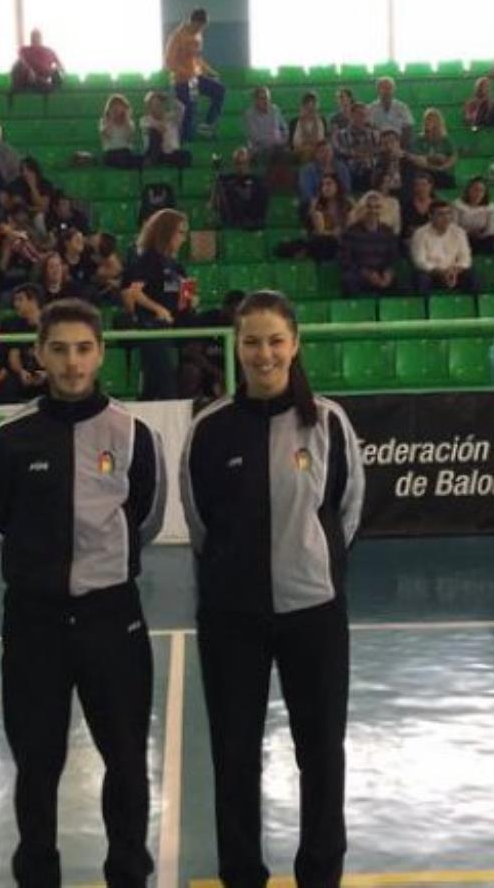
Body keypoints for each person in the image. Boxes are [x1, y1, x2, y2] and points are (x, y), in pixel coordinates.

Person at [0, 296, 165, 888]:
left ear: (101, 353)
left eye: (83, 349)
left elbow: (148, 520)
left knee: (127, 762)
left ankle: (129, 874)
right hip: (34, 623)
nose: (72, 362)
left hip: (113, 619)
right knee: (36, 765)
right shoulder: (9, 439)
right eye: (58, 349)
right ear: (39, 355)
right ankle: (37, 877)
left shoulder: (134, 434)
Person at [180, 289, 364, 888]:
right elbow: (199, 520)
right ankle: (242, 874)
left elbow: (347, 510)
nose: (264, 354)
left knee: (321, 754)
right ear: (236, 347)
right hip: (232, 620)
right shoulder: (209, 429)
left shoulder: (329, 422)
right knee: (234, 756)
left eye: (275, 340)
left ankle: (320, 874)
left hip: (314, 616)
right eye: (252, 341)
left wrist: (312, 565)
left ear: (296, 344)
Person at [122, 209, 192, 400]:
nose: (183, 239)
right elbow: (135, 292)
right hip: (152, 327)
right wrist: (158, 309)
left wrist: (189, 298)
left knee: (155, 387)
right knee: (164, 383)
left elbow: (179, 294)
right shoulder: (149, 259)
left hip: (171, 326)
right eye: (180, 233)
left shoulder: (175, 265)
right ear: (167, 232)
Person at [165, 7, 225, 141]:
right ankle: (186, 138)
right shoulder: (177, 36)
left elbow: (198, 58)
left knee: (219, 90)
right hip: (181, 80)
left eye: (203, 27)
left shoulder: (198, 36)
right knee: (189, 108)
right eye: (200, 26)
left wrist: (210, 71)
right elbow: (169, 62)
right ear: (194, 22)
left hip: (195, 78)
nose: (201, 30)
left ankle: (208, 124)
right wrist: (185, 73)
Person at [339, 192, 400, 296]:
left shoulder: (388, 232)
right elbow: (345, 260)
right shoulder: (350, 233)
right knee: (348, 280)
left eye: (377, 207)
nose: (373, 211)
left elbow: (393, 258)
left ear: (381, 210)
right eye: (369, 207)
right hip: (360, 274)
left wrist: (388, 273)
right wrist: (366, 273)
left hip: (381, 273)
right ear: (362, 209)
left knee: (403, 285)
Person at [411, 201, 477, 295]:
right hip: (432, 274)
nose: (446, 217)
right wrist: (441, 272)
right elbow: (420, 261)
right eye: (441, 214)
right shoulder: (420, 234)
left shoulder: (459, 232)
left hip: (454, 272)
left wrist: (455, 271)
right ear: (430, 216)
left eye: (449, 213)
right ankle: (424, 307)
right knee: (421, 278)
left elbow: (466, 258)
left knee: (473, 277)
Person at [1, 284, 49, 401]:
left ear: (33, 300)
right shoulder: (14, 326)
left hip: (47, 373)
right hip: (24, 374)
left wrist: (47, 373)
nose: (16, 304)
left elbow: (59, 355)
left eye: (20, 300)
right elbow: (14, 356)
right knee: (8, 386)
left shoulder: (51, 324)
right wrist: (21, 371)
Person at [213, 147, 269, 231]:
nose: (241, 167)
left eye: (244, 163)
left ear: (249, 164)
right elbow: (215, 202)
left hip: (253, 223)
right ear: (234, 164)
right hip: (233, 222)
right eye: (238, 163)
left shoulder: (259, 183)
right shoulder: (225, 181)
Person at [331, 101, 379, 194]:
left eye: (364, 115)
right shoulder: (340, 135)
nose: (362, 118)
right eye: (359, 114)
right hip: (350, 169)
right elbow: (338, 151)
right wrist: (356, 154)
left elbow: (378, 150)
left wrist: (368, 153)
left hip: (371, 170)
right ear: (351, 115)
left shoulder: (374, 134)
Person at [405, 108, 456, 189]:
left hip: (440, 172)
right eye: (427, 120)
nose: (428, 122)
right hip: (424, 172)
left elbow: (452, 158)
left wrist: (442, 166)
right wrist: (434, 159)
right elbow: (417, 159)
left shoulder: (445, 140)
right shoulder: (418, 140)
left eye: (432, 120)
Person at [141, 91, 191, 169]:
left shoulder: (172, 118)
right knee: (154, 133)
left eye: (159, 103)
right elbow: (161, 129)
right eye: (154, 104)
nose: (158, 106)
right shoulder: (144, 120)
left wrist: (170, 98)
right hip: (156, 153)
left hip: (172, 153)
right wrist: (165, 119)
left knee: (186, 155)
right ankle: (153, 161)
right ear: (149, 107)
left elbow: (181, 108)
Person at [297, 139, 352, 208]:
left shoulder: (341, 167)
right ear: (316, 154)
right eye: (322, 151)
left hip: (338, 200)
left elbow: (346, 188)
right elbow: (307, 192)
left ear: (332, 152)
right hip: (315, 201)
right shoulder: (307, 170)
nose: (326, 153)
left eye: (329, 150)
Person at [454, 176, 494, 255]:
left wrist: (481, 235)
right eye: (475, 189)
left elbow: (490, 229)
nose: (478, 193)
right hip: (462, 236)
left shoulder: (490, 206)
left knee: (491, 243)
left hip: (483, 236)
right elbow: (454, 225)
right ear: (468, 190)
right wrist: (466, 234)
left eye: (481, 190)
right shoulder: (458, 204)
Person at [11, 28, 63, 94]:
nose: (34, 38)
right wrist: (29, 71)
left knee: (55, 74)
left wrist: (54, 70)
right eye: (33, 36)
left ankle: (47, 85)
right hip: (27, 78)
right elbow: (21, 62)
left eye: (37, 36)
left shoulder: (49, 51)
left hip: (45, 78)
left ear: (41, 38)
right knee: (18, 64)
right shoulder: (23, 50)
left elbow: (60, 67)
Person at [242, 86, 288, 161]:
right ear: (256, 100)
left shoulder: (275, 110)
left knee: (287, 154)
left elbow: (285, 129)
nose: (266, 101)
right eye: (262, 98)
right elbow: (256, 137)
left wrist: (282, 141)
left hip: (278, 147)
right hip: (260, 149)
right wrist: (275, 140)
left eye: (267, 98)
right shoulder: (249, 115)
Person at [367, 76, 414, 146]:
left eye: (389, 88)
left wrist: (400, 146)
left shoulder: (402, 107)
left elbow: (408, 128)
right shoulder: (371, 108)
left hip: (399, 145)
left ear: (394, 90)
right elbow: (368, 128)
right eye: (384, 88)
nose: (387, 91)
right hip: (377, 146)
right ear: (378, 90)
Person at [100, 94, 142, 170]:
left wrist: (126, 120)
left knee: (137, 158)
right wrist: (112, 119)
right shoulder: (104, 122)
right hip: (111, 153)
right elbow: (107, 135)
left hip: (125, 152)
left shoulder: (129, 123)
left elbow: (128, 138)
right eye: (114, 107)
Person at [290, 91, 328, 162]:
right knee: (307, 152)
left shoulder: (320, 121)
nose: (311, 110)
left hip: (318, 149)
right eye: (308, 106)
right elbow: (296, 142)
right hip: (301, 151)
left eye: (313, 106)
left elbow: (321, 139)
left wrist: (311, 145)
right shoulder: (296, 122)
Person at [399, 172, 436, 241]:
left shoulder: (437, 206)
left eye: (424, 185)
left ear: (431, 186)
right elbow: (403, 229)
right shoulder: (406, 206)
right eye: (417, 185)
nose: (421, 188)